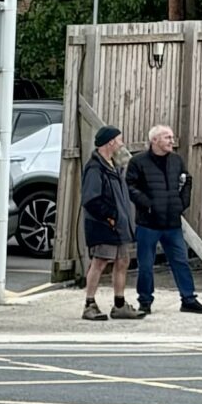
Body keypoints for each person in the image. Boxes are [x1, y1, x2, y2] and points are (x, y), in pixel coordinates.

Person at [125, 124, 202, 316]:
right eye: (167, 137)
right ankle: (145, 301)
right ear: (154, 140)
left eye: (172, 137)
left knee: (181, 261)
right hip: (148, 223)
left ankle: (188, 299)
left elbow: (187, 180)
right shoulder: (138, 162)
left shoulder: (176, 160)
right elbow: (130, 186)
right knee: (146, 264)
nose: (172, 141)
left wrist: (182, 203)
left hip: (172, 222)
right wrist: (147, 204)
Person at [80, 126, 135, 319]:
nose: (121, 143)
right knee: (100, 262)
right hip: (104, 224)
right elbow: (91, 199)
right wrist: (110, 216)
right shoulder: (95, 168)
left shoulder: (113, 165)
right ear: (110, 142)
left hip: (118, 224)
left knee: (123, 261)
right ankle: (89, 304)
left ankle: (119, 304)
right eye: (119, 140)